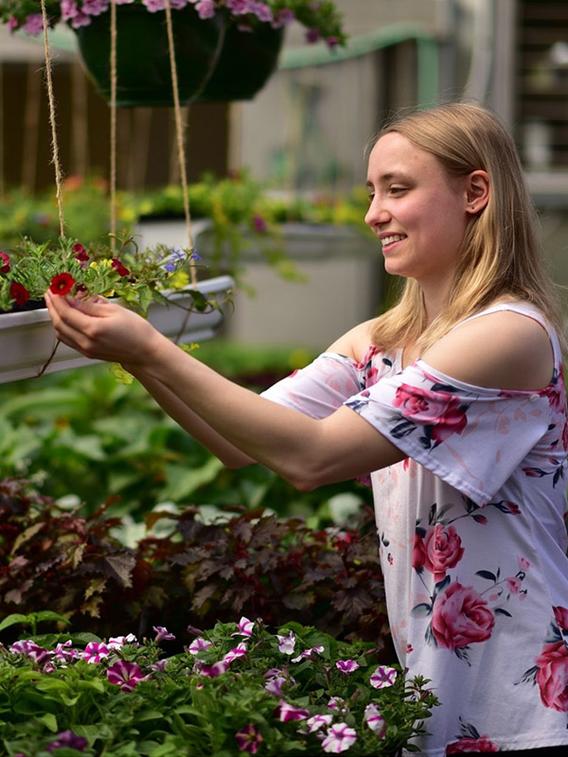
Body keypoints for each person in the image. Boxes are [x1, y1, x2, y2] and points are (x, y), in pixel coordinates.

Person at [46, 102, 568, 756]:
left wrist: (151, 348)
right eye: (372, 192)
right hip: (443, 702)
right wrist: (130, 352)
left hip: (527, 710)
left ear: (475, 193)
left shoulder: (507, 336)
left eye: (397, 190)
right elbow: (239, 442)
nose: (373, 213)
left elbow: (312, 457)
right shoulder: (382, 342)